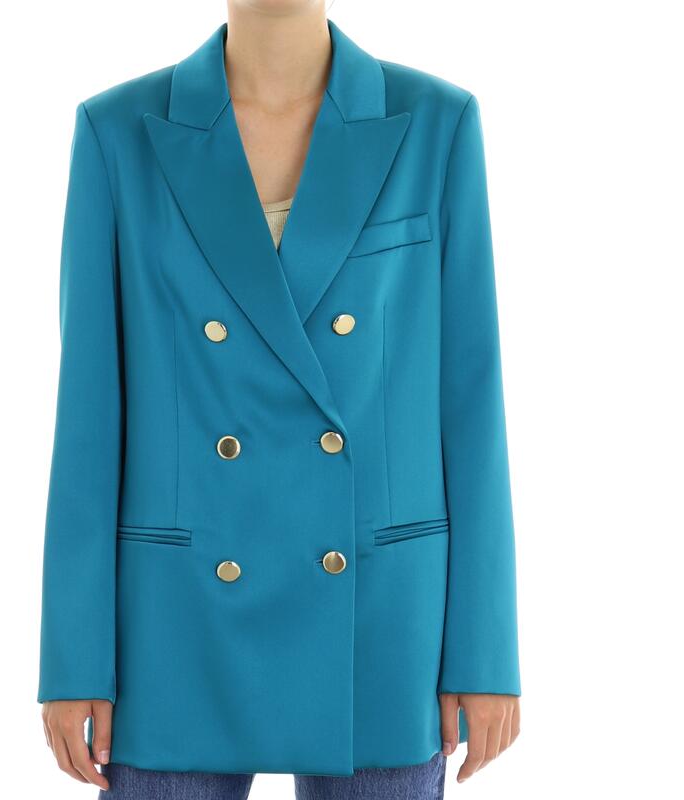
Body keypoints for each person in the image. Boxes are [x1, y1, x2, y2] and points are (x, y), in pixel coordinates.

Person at [38, 1, 521, 797]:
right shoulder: (116, 133)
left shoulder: (437, 123)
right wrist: (74, 659)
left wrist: (485, 651)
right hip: (176, 616)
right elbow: (88, 419)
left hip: (379, 610)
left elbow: (471, 405)